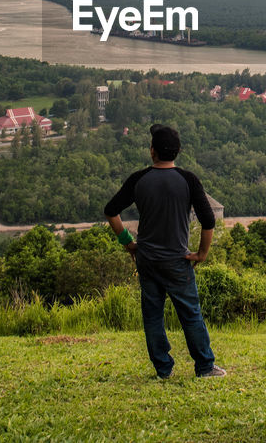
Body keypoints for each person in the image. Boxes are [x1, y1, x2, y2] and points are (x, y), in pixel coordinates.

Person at [104, 123, 226, 379]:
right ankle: (204, 367)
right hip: (177, 260)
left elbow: (111, 211)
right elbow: (209, 220)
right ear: (178, 151)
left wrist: (128, 243)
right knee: (190, 314)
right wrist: (202, 254)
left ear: (152, 151)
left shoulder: (139, 179)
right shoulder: (188, 179)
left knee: (152, 315)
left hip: (146, 259)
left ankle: (163, 369)